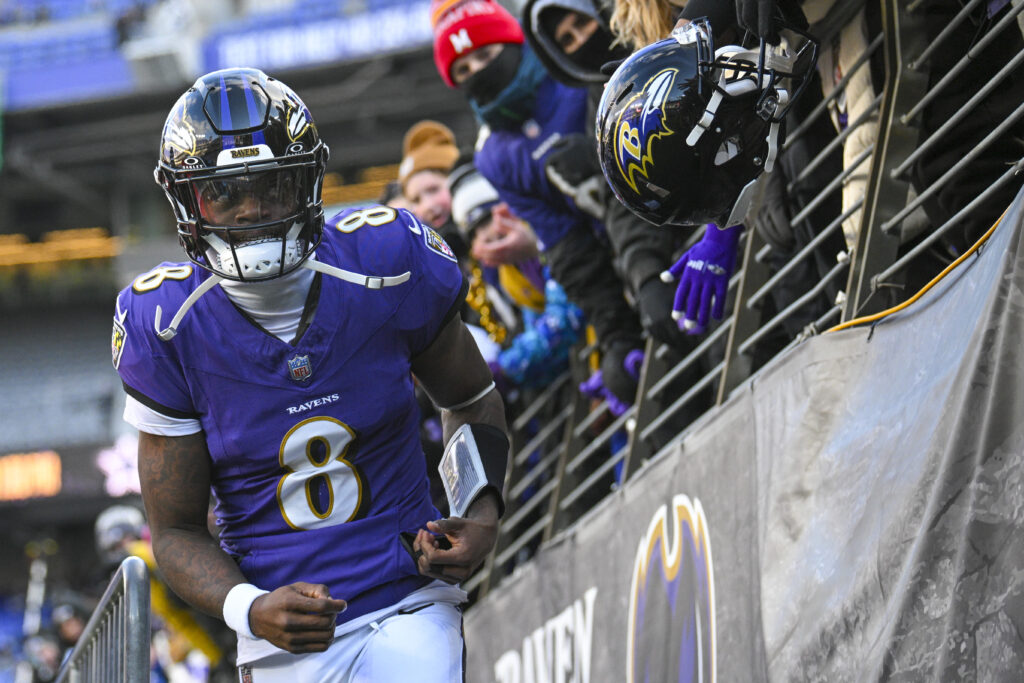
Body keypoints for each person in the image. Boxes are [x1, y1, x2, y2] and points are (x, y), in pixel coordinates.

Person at [112, 68, 509, 681]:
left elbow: (471, 397)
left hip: (405, 598)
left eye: (271, 188)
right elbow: (176, 531)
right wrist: (250, 607)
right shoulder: (166, 324)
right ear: (189, 202)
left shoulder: (386, 261)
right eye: (226, 193)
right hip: (282, 640)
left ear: (308, 182)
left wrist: (479, 514)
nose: (251, 212)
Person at [431, 0, 646, 409]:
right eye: (463, 69)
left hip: (669, 222)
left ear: (512, 41)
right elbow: (569, 250)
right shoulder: (495, 156)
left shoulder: (571, 67)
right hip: (620, 269)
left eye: (486, 55)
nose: (478, 71)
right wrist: (618, 336)